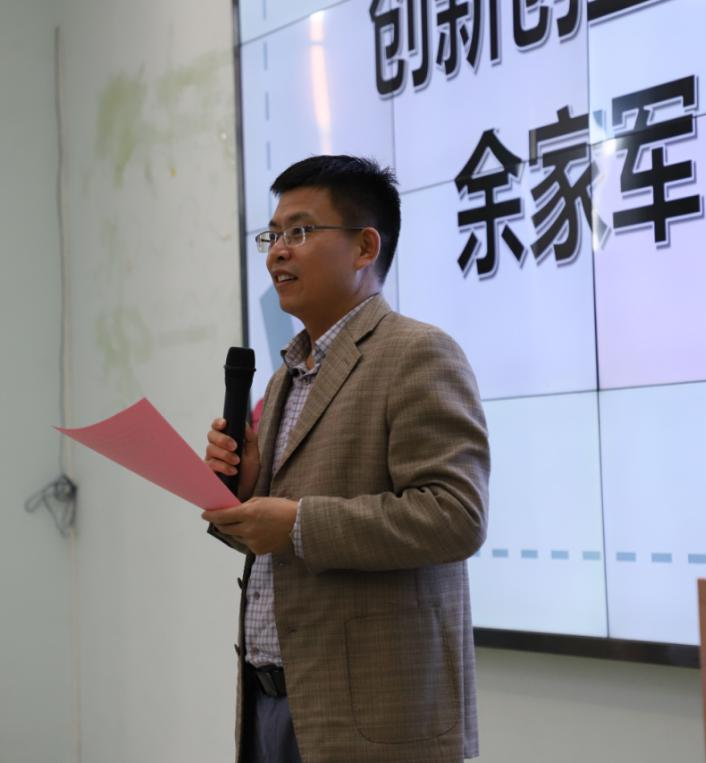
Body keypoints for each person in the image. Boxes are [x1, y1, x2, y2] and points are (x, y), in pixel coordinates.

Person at [202, 155, 490, 763]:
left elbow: (455, 516)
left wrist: (297, 524)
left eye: (301, 231)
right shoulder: (285, 375)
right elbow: (276, 532)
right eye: (273, 235)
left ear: (364, 247)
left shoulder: (418, 353)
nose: (278, 252)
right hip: (269, 702)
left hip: (372, 719)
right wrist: (246, 492)